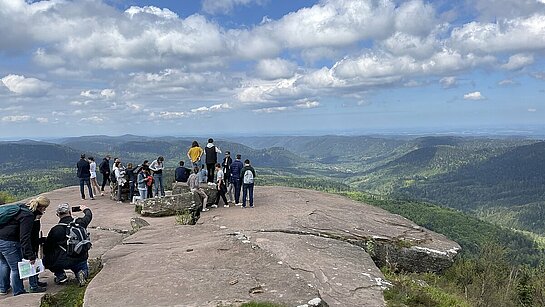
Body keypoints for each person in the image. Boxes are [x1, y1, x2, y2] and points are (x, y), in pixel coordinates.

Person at [0, 196, 50, 295]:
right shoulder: (28, 216)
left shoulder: (23, 207)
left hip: (1, 238)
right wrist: (30, 255)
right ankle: (19, 292)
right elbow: (25, 237)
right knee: (16, 268)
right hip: (9, 242)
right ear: (42, 208)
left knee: (4, 263)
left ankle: (3, 288)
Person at [43, 204, 92, 287]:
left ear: (58, 215)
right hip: (81, 257)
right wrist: (86, 209)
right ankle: (83, 272)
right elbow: (88, 216)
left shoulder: (56, 230)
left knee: (46, 259)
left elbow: (47, 247)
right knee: (82, 265)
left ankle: (60, 275)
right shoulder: (80, 223)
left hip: (64, 260)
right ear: (70, 212)